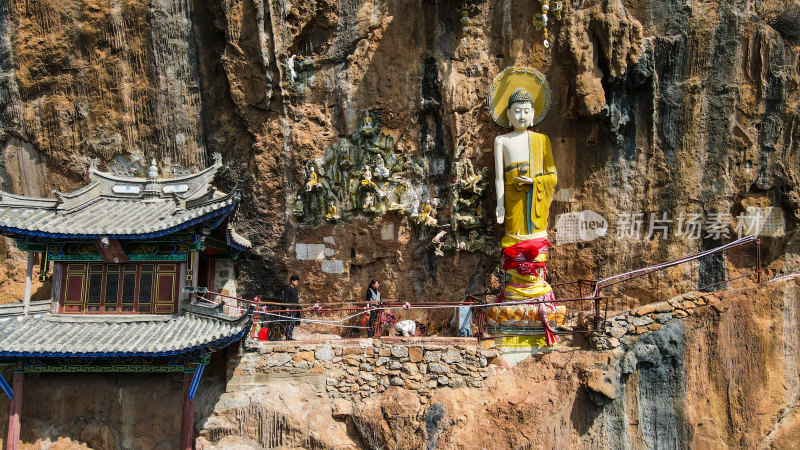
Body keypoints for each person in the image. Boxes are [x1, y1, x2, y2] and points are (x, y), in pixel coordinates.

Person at [283, 275, 300, 340]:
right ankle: (288, 336)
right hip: (290, 308)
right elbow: (286, 298)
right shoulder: (288, 288)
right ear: (292, 281)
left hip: (294, 308)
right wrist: (287, 307)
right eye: (296, 281)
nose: (297, 282)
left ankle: (290, 336)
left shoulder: (295, 289)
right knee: (290, 322)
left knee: (293, 322)